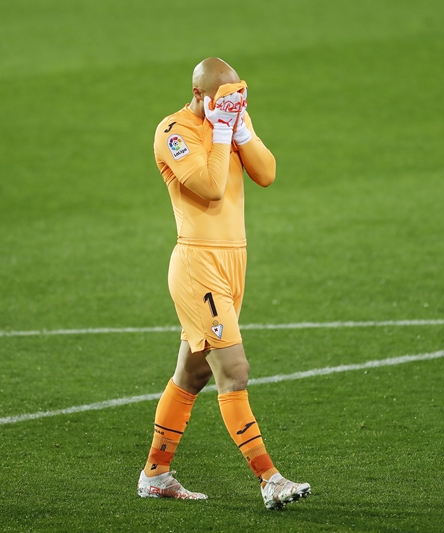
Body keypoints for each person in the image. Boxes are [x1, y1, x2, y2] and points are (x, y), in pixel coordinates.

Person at [137, 58, 311, 510]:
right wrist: (219, 132)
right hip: (199, 265)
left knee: (192, 374)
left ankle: (155, 473)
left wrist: (242, 133)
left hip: (234, 263)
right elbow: (211, 186)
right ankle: (270, 479)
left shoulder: (231, 119)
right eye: (223, 97)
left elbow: (267, 174)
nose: (232, 104)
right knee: (234, 371)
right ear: (198, 94)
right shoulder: (173, 131)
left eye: (237, 95)